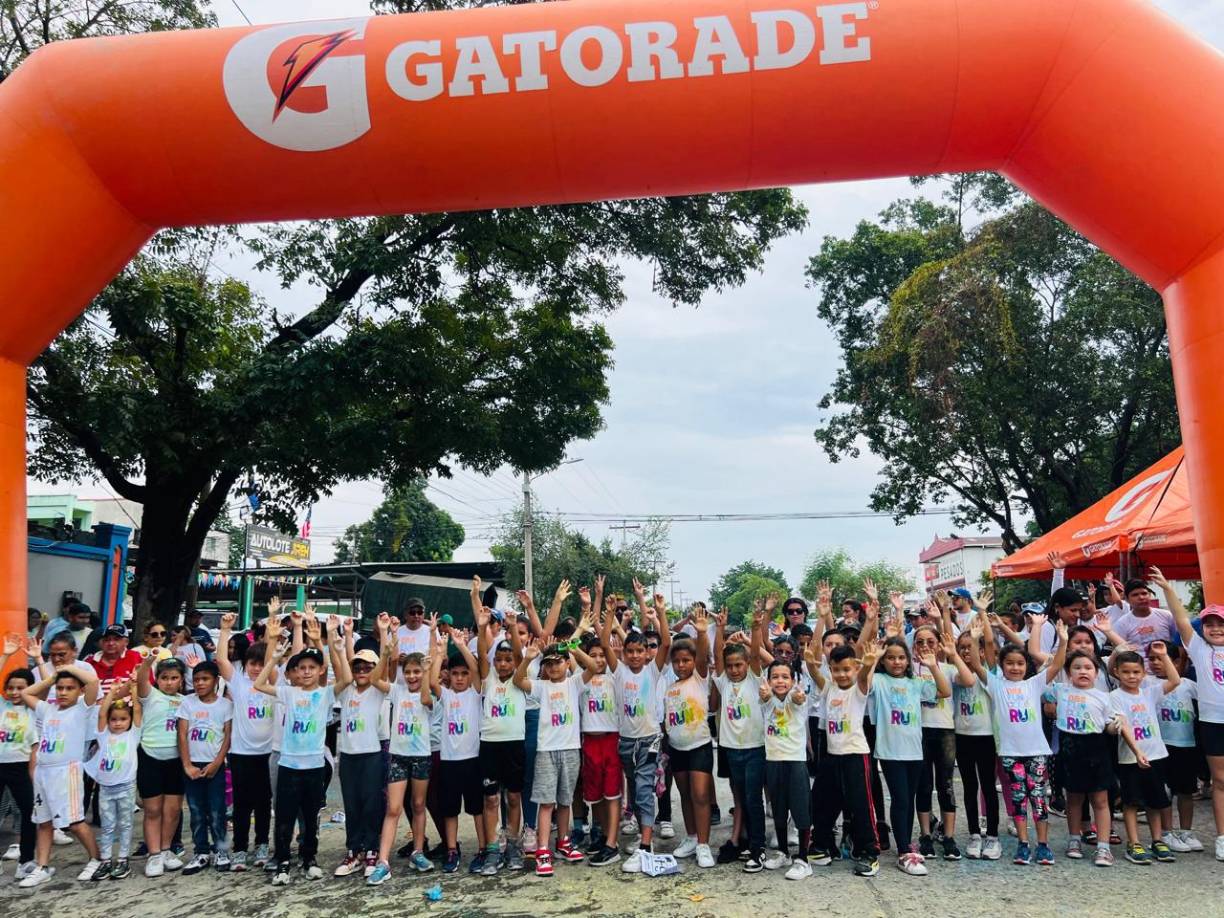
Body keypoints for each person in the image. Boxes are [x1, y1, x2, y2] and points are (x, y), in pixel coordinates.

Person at [255, 614, 343, 885]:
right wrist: (274, 657)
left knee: (311, 816)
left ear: (321, 670)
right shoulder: (288, 692)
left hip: (314, 766)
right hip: (289, 765)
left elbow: (346, 678)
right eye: (300, 667)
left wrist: (330, 644)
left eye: (311, 667)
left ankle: (309, 859)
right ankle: (282, 862)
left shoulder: (326, 694)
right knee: (284, 816)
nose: (305, 671)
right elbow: (259, 684)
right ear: (292, 673)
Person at [967, 618, 1060, 865]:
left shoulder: (1034, 684)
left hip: (1036, 751)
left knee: (1038, 799)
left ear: (1026, 665)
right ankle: (1023, 844)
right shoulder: (995, 685)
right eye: (1009, 663)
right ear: (1001, 665)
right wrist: (975, 639)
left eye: (1020, 663)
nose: (1015, 668)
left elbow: (1058, 664)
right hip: (1009, 752)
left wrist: (1063, 640)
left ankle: (1043, 845)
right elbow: (975, 664)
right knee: (1018, 798)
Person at [513, 635, 599, 877]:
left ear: (567, 663)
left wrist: (575, 650)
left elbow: (593, 667)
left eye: (558, 662)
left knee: (565, 800)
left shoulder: (574, 683)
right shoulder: (541, 687)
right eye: (548, 664)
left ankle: (563, 842)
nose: (553, 667)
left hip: (570, 749)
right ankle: (543, 850)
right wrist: (528, 659)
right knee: (546, 802)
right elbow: (518, 680)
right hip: (546, 751)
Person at [1051, 628, 1137, 868]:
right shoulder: (1060, 690)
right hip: (1070, 749)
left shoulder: (1104, 697)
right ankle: (1074, 839)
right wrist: (1061, 644)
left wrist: (1116, 727)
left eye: (1088, 668)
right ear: (1068, 673)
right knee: (1074, 799)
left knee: (1100, 800)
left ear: (1096, 672)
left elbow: (1108, 726)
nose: (1083, 671)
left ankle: (1103, 846)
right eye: (1077, 667)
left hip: (1096, 749)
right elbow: (1048, 673)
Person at [866, 635, 951, 876]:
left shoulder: (915, 683)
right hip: (890, 751)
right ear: (884, 661)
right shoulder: (880, 680)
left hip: (914, 751)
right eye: (891, 658)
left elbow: (944, 691)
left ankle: (905, 844)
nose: (896, 662)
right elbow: (864, 685)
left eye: (901, 657)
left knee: (909, 799)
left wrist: (932, 665)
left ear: (908, 660)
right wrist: (872, 661)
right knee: (900, 799)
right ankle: (904, 851)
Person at [1157, 565, 1224, 861]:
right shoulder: (1199, 649)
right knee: (1220, 781)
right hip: (1213, 723)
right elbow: (1182, 619)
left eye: (1220, 624)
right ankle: (1222, 838)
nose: (1216, 629)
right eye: (1210, 624)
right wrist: (1167, 589)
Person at [18, 659, 103, 887]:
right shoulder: (48, 709)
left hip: (67, 772)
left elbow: (93, 682)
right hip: (43, 772)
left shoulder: (82, 709)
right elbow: (26, 693)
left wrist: (67, 669)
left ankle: (97, 859)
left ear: (79, 691)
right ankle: (42, 867)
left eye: (69, 688)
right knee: (44, 822)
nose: (63, 692)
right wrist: (52, 679)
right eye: (60, 688)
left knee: (75, 822)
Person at [603, 588, 671, 874]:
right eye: (629, 651)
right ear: (624, 652)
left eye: (639, 651)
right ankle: (644, 835)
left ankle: (645, 846)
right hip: (626, 742)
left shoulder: (652, 671)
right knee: (634, 789)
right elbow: (605, 643)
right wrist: (609, 614)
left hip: (648, 741)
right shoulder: (618, 671)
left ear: (646, 654)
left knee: (643, 791)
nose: (634, 656)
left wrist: (661, 613)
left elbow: (666, 642)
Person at [370, 618, 438, 885]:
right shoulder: (396, 691)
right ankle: (383, 861)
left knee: (419, 805)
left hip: (421, 757)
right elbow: (375, 679)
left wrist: (427, 671)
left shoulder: (428, 694)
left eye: (416, 672)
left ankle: (418, 852)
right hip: (398, 756)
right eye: (408, 671)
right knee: (394, 808)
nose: (411, 676)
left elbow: (425, 699)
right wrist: (386, 652)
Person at [809, 641, 881, 877]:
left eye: (847, 669)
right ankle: (822, 847)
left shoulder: (858, 689)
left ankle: (869, 853)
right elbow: (815, 675)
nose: (841, 674)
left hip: (855, 755)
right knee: (824, 802)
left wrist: (867, 665)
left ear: (855, 668)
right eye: (836, 669)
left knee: (860, 806)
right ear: (830, 669)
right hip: (833, 756)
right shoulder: (829, 688)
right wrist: (810, 663)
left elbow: (863, 679)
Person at [472, 576, 528, 875]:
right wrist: (482, 626)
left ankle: (514, 847)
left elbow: (519, 654)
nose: (504, 664)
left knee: (514, 797)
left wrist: (513, 625)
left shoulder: (519, 679)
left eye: (508, 660)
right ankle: (493, 850)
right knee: (491, 799)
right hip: (490, 746)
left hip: (514, 745)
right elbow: (482, 653)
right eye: (500, 660)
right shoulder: (487, 677)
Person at [332, 614, 390, 879]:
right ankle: (354, 851)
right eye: (358, 667)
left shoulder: (379, 692)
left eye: (368, 667)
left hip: (372, 756)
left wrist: (383, 632)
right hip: (348, 757)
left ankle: (372, 851)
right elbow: (341, 665)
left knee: (371, 805)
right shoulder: (346, 691)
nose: (362, 671)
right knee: (352, 805)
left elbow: (384, 665)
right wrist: (341, 636)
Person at [217, 612, 275, 871]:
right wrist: (225, 630)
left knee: (263, 803)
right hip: (241, 754)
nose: (257, 668)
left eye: (262, 664)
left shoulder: (274, 686)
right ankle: (239, 848)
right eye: (252, 663)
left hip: (267, 754)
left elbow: (273, 659)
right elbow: (221, 660)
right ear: (246, 664)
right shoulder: (239, 683)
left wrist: (272, 628)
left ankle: (262, 844)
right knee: (241, 804)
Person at [1110, 646, 1179, 864]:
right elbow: (1123, 726)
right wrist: (1137, 752)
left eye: (1136, 672)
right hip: (1131, 758)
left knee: (1155, 801)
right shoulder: (1115, 697)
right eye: (1126, 672)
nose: (1131, 676)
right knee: (1131, 801)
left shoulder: (1149, 692)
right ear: (1117, 672)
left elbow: (1175, 680)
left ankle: (1157, 840)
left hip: (1155, 755)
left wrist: (1164, 656)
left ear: (1143, 673)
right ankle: (1134, 843)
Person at [661, 604, 716, 868]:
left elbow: (703, 656)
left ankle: (704, 845)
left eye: (686, 660)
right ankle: (692, 837)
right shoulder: (670, 687)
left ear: (694, 662)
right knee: (684, 794)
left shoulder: (700, 679)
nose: (681, 665)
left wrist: (702, 633)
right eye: (677, 661)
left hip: (699, 746)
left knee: (700, 795)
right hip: (676, 748)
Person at [712, 606, 765, 871]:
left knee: (754, 799)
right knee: (740, 799)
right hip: (731, 749)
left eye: (738, 665)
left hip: (755, 748)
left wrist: (755, 627)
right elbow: (716, 656)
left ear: (747, 665)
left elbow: (755, 654)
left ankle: (758, 848)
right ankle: (743, 841)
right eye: (730, 665)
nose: (734, 670)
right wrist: (719, 628)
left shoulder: (754, 680)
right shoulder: (723, 682)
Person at [431, 627, 485, 874]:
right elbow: (432, 681)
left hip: (473, 760)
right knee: (450, 810)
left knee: (477, 809)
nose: (460, 678)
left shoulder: (475, 693)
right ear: (448, 675)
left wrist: (462, 645)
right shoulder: (445, 695)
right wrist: (440, 652)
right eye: (455, 674)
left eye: (464, 674)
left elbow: (477, 669)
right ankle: (452, 849)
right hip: (449, 761)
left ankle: (483, 849)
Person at [571, 605, 622, 868]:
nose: (599, 660)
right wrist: (581, 628)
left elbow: (609, 648)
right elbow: (570, 647)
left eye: (602, 655)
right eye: (593, 656)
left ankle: (612, 844)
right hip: (589, 742)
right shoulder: (580, 679)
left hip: (610, 741)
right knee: (596, 795)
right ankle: (602, 835)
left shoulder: (615, 676)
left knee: (612, 794)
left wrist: (608, 616)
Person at [911, 623, 962, 860]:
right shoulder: (909, 669)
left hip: (944, 731)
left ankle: (949, 836)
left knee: (945, 785)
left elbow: (969, 680)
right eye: (919, 642)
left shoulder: (948, 669)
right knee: (923, 785)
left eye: (930, 641)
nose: (925, 646)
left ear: (939, 645)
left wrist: (949, 656)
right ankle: (925, 834)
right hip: (918, 730)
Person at [177, 659, 233, 874]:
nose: (200, 683)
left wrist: (217, 763)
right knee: (196, 811)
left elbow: (227, 737)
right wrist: (187, 765)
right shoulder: (187, 703)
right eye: (196, 679)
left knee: (217, 811)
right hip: (192, 766)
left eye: (205, 679)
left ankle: (221, 851)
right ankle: (201, 852)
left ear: (216, 680)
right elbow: (182, 734)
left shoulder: (225, 705)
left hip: (214, 766)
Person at [134, 651, 187, 876]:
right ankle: (154, 854)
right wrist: (147, 663)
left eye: (174, 678)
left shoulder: (186, 702)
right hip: (150, 757)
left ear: (181, 680)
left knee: (172, 810)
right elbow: (141, 680)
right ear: (157, 679)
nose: (169, 682)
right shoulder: (150, 696)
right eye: (164, 677)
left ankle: (166, 850)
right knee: (153, 810)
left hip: (176, 760)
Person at [1147, 641, 1203, 852]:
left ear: (1177, 662)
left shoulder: (1188, 685)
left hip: (1186, 745)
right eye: (1152, 659)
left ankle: (1186, 831)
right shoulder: (1146, 682)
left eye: (1162, 658)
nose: (1156, 662)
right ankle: (1167, 832)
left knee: (1186, 791)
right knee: (1164, 791)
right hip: (1159, 747)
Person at [759, 658, 812, 880]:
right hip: (773, 760)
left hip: (795, 762)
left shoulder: (796, 698)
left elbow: (800, 699)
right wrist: (766, 694)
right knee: (778, 810)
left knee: (800, 810)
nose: (780, 681)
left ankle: (803, 859)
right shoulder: (766, 700)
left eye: (785, 677)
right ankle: (783, 852)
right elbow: (765, 698)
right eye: (775, 677)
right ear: (768, 680)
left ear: (793, 680)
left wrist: (799, 696)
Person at [951, 622, 1000, 861]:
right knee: (969, 787)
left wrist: (981, 621)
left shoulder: (989, 674)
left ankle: (992, 836)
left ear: (981, 651)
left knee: (988, 787)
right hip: (962, 737)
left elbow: (989, 643)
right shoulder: (956, 674)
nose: (966, 651)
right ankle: (974, 834)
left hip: (986, 737)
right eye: (962, 647)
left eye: (970, 646)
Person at [86, 676, 141, 880]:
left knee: (125, 824)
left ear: (129, 721)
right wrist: (112, 691)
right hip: (106, 788)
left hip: (126, 787)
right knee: (107, 826)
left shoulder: (132, 735)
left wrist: (133, 689)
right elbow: (102, 713)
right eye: (114, 719)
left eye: (123, 719)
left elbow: (137, 710)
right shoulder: (103, 735)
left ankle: (123, 859)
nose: (118, 723)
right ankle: (106, 860)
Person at [0, 638, 38, 881]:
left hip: (23, 767)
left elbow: (47, 686)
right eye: (11, 688)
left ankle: (26, 862)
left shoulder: (35, 709)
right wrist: (5, 655)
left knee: (28, 814)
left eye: (21, 688)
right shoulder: (1, 705)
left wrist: (40, 659)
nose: (15, 692)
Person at [84, 624, 142, 694]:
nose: (111, 643)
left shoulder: (136, 657)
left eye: (116, 639)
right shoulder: (89, 662)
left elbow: (146, 687)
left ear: (126, 642)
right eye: (107, 640)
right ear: (101, 642)